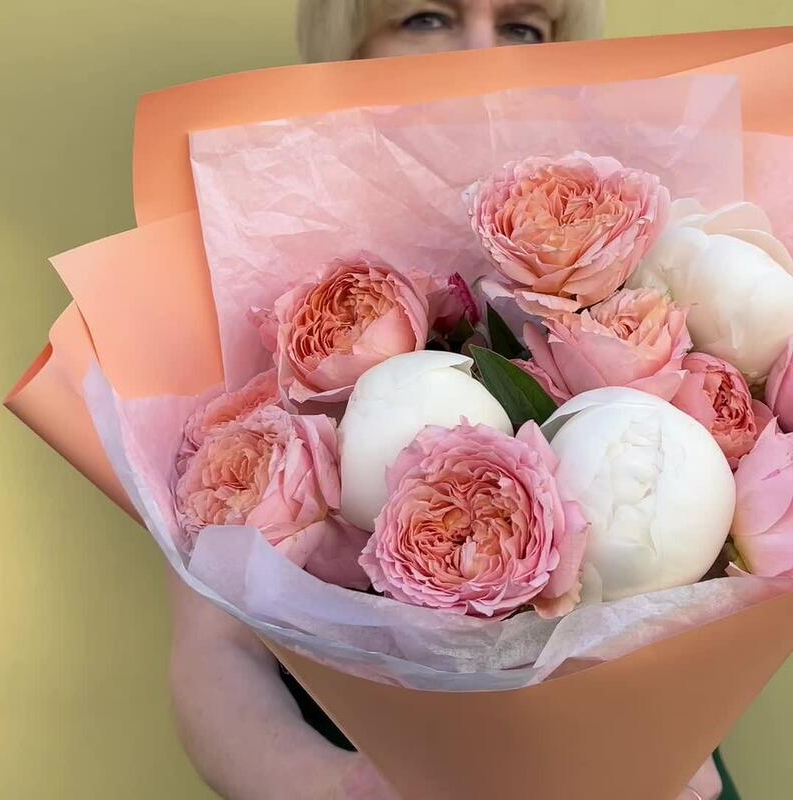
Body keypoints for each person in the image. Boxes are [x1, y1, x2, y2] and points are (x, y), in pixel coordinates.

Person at [168, 3, 726, 798]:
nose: (481, 54)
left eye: (524, 26)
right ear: (347, 43)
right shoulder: (260, 274)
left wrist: (676, 737)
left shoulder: (634, 253)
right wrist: (339, 789)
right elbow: (214, 649)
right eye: (427, 16)